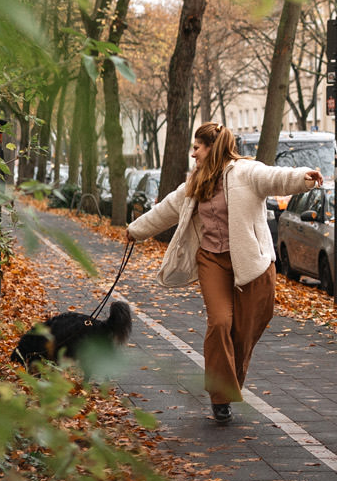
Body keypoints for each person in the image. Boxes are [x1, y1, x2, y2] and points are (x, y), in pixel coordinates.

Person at [128, 122, 323, 424]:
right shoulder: (195, 183)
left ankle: (230, 383)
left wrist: (303, 178)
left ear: (212, 147)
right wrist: (134, 231)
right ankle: (221, 398)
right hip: (213, 260)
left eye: (197, 148)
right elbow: (165, 209)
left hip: (249, 262)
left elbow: (275, 177)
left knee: (243, 332)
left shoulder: (246, 172)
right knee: (220, 323)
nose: (193, 154)